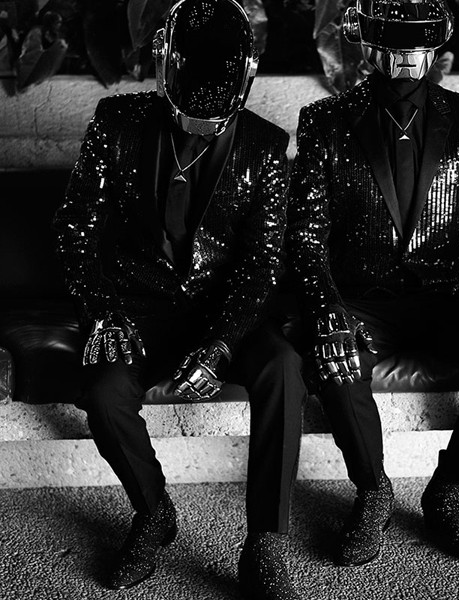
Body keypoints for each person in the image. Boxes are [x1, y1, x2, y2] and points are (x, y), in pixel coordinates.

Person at [286, 0, 459, 567]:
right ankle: (373, 492)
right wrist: (328, 313)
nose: (408, 53)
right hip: (361, 302)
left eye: (419, 40)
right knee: (330, 357)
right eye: (395, 40)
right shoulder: (324, 122)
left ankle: (451, 489)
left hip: (443, 297)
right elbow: (304, 239)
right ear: (369, 45)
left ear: (437, 44)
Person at [54, 1, 304, 597]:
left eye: (214, 120)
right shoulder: (115, 122)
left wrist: (220, 345)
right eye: (191, 114)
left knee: (284, 368)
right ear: (166, 68)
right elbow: (75, 230)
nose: (200, 127)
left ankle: (266, 543)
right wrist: (102, 310)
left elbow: (262, 263)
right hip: (136, 308)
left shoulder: (267, 146)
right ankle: (153, 512)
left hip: (224, 314)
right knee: (104, 393)